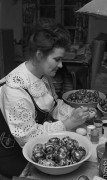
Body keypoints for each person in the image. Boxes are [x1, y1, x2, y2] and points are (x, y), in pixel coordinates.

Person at [0, 26, 96, 178]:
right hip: (15, 154)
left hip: (41, 146)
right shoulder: (15, 89)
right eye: (57, 59)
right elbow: (28, 137)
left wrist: (77, 114)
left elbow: (54, 105)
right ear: (39, 55)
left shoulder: (43, 76)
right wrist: (69, 123)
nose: (61, 65)